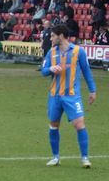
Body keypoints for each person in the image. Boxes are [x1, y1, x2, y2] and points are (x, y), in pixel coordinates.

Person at [41, 24, 97, 168]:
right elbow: (43, 71)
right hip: (54, 96)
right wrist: (51, 69)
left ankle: (85, 158)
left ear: (61, 36)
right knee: (54, 126)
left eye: (53, 35)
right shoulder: (51, 52)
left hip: (72, 96)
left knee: (79, 125)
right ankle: (56, 157)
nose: (51, 38)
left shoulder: (79, 51)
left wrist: (92, 90)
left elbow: (86, 72)